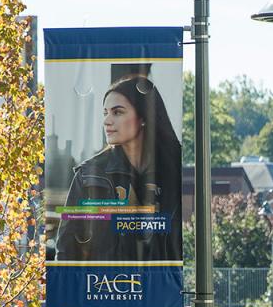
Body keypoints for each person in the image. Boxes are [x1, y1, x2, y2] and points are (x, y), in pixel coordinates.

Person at [54, 75, 182, 263]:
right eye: (105, 112)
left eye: (117, 112)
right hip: (103, 288)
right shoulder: (89, 174)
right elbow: (65, 248)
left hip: (161, 287)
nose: (107, 120)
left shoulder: (176, 171)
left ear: (144, 117)